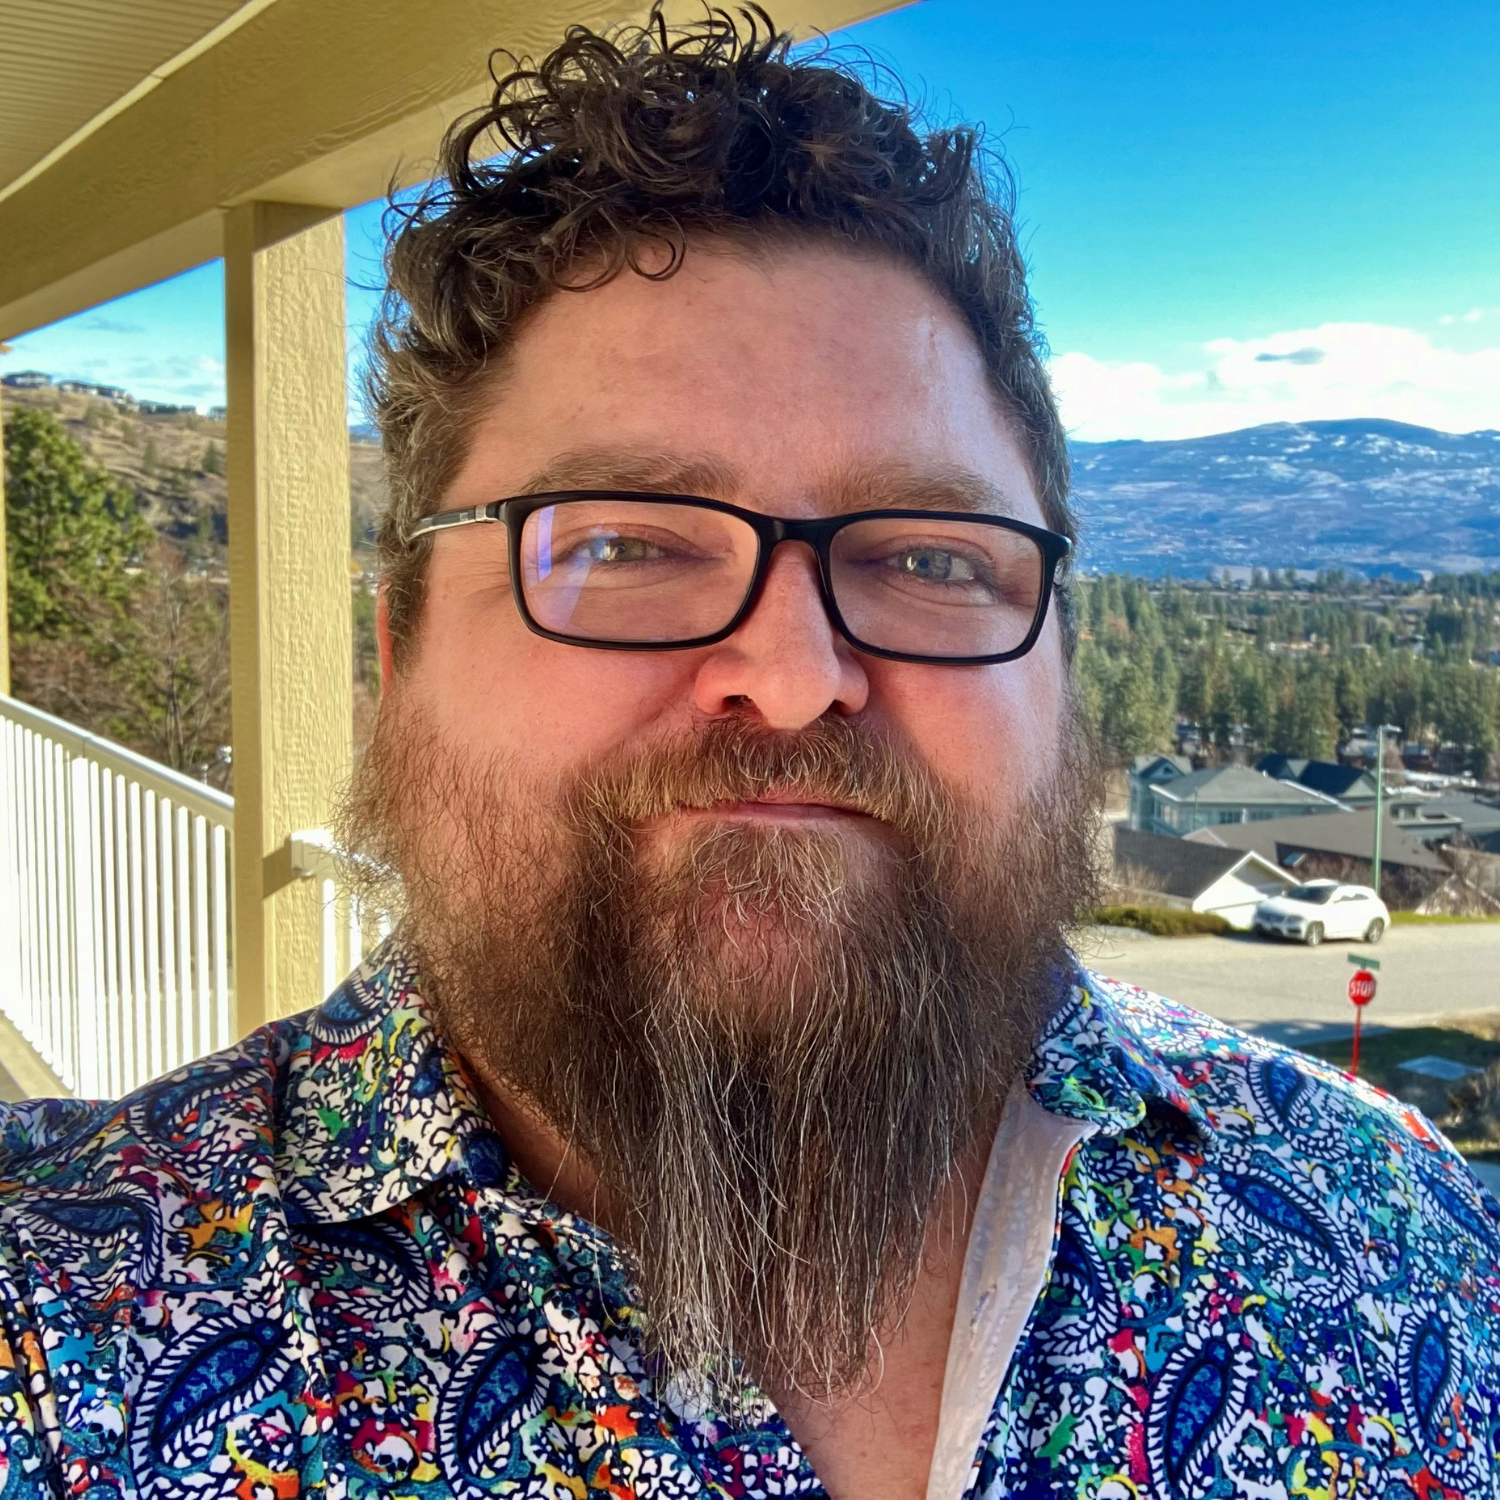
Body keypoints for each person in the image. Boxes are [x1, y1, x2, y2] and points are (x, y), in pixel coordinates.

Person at [2, 11, 1497, 1498]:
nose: (790, 678)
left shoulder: (1399, 1235)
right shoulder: (58, 1324)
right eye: (624, 544)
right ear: (400, 667)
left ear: (1060, 674)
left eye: (927, 557)